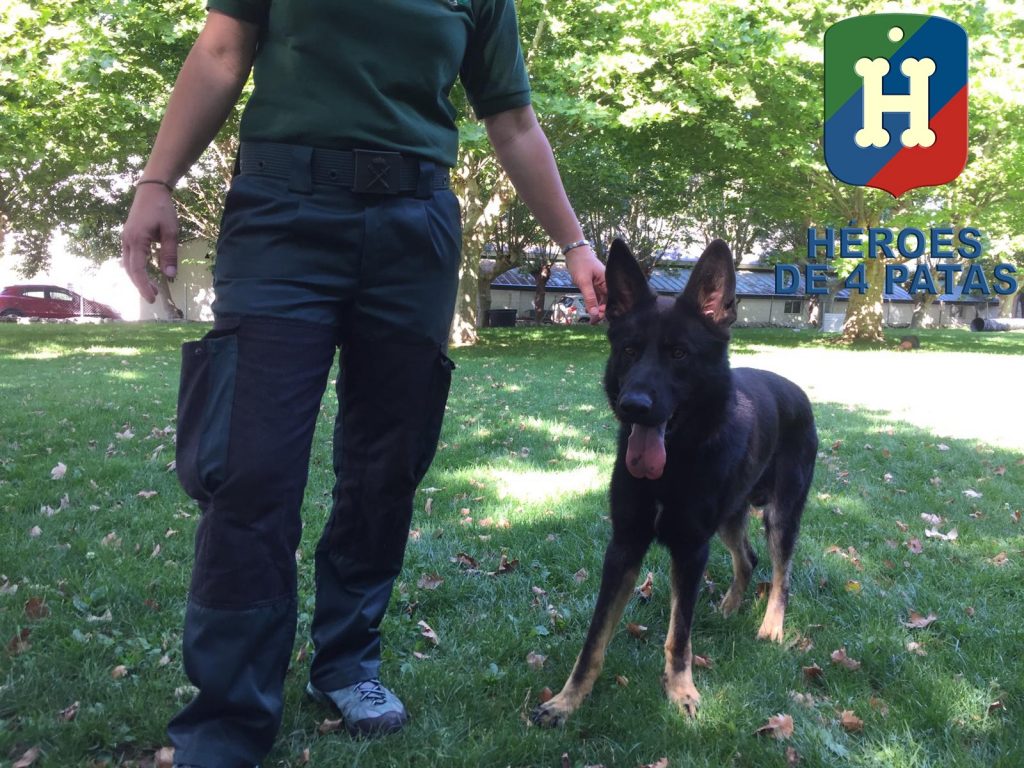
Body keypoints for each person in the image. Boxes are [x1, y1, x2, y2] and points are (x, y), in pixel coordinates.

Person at [121, 2, 606, 766]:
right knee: (250, 468)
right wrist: (158, 180)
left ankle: (347, 664)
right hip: (282, 217)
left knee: (386, 464)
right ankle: (228, 718)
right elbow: (220, 51)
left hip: (415, 230)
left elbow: (512, 121)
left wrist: (574, 244)